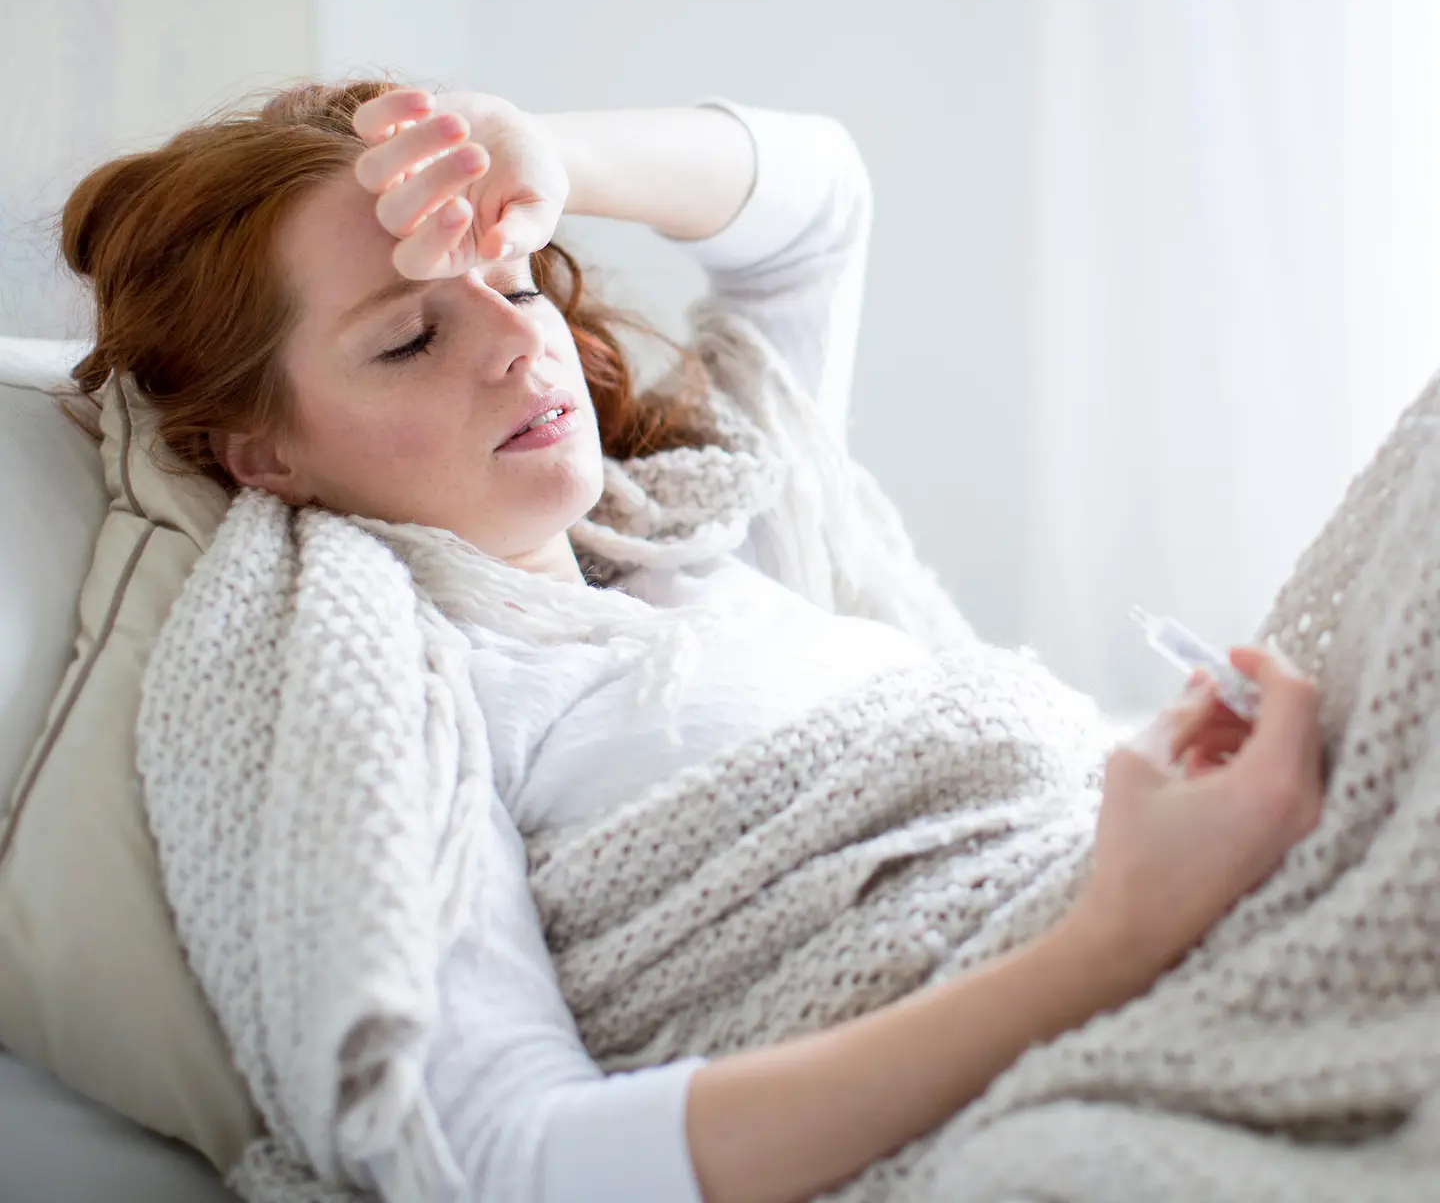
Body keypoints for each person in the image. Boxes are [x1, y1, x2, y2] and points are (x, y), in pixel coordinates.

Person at [60, 80, 1324, 1203]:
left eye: (512, 281)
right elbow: (502, 1160)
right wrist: (1121, 932)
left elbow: (818, 200)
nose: (517, 341)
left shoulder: (715, 521)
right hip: (1069, 1048)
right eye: (410, 338)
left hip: (1188, 914)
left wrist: (544, 149)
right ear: (264, 454)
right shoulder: (390, 690)